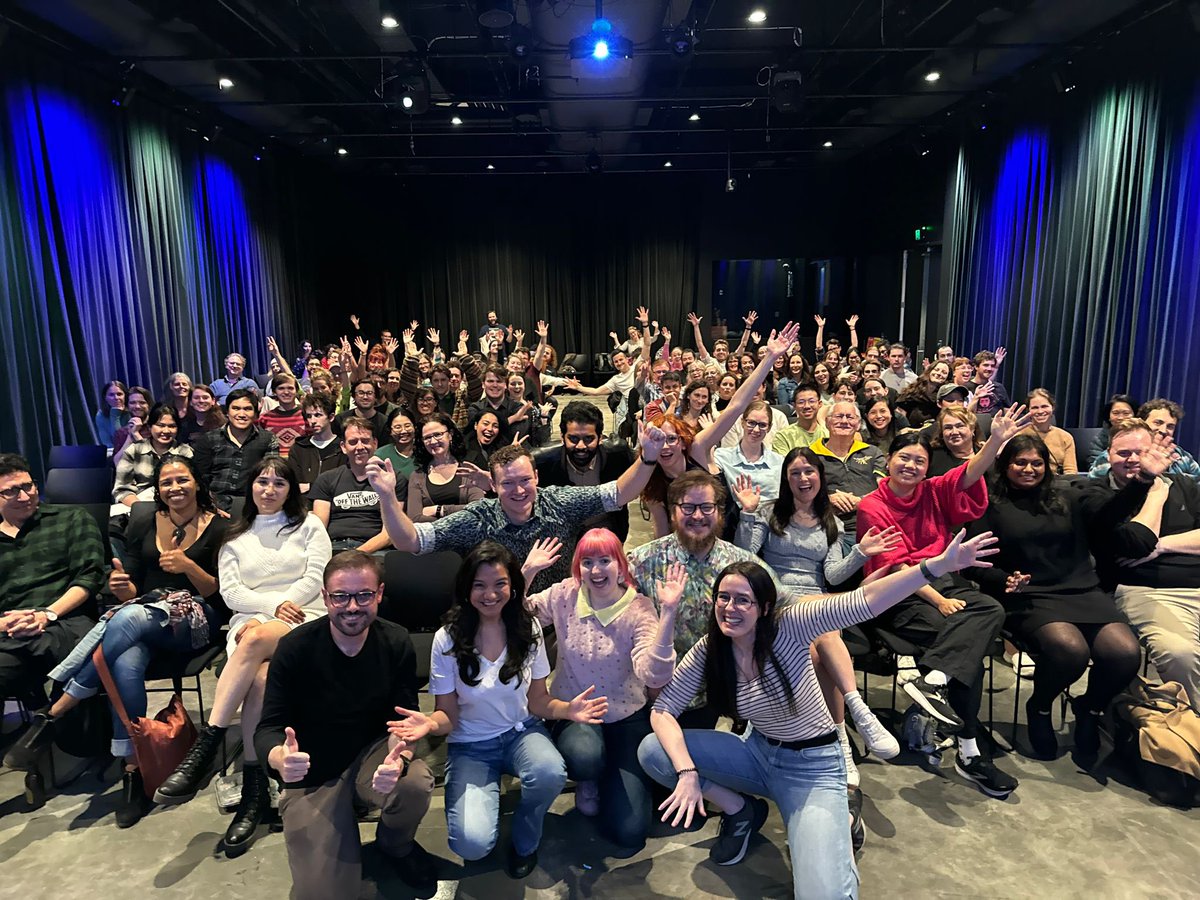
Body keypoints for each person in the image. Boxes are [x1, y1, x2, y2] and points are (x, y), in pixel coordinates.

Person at [637, 531, 999, 899]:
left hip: (813, 769)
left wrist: (935, 566)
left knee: (821, 895)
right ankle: (741, 809)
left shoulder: (790, 625)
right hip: (757, 754)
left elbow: (866, 600)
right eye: (723, 598)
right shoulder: (712, 647)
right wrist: (687, 772)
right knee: (654, 751)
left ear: (764, 607)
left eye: (743, 600)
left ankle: (837, 823)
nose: (730, 608)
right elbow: (663, 709)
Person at [7, 455, 226, 825]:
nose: (174, 488)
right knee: (123, 658)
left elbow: (223, 596)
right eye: (166, 482)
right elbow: (135, 587)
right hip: (141, 616)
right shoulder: (144, 520)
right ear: (157, 489)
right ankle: (132, 772)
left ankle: (56, 710)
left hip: (196, 618)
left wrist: (189, 566)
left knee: (130, 618)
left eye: (182, 480)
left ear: (198, 483)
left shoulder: (221, 526)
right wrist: (122, 589)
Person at [386, 543, 602, 879]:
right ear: (466, 588)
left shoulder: (526, 628)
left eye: (500, 584)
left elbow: (538, 702)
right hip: (471, 745)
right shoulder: (448, 639)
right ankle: (485, 799)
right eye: (479, 585)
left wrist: (567, 710)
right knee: (471, 845)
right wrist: (429, 724)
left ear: (513, 587)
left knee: (550, 773)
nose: (490, 594)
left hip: (521, 732)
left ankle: (526, 837)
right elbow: (447, 716)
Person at [154, 458, 331, 854]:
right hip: (253, 619)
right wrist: (270, 607)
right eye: (262, 482)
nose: (269, 490)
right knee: (260, 680)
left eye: (279, 483)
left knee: (253, 641)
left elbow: (317, 578)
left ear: (291, 490)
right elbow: (231, 594)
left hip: (305, 616)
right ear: (250, 486)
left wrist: (280, 608)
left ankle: (210, 741)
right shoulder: (234, 534)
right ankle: (256, 789)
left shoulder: (308, 527)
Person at [854, 404, 1031, 798]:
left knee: (991, 609)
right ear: (888, 461)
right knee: (967, 642)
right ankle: (969, 751)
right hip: (898, 595)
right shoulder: (872, 505)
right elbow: (895, 568)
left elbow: (967, 474)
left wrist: (996, 440)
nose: (913, 466)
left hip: (945, 583)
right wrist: (938, 600)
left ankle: (932, 680)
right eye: (905, 458)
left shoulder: (933, 491)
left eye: (920, 460)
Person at [253, 550, 437, 897]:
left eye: (363, 594)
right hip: (314, 770)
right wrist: (279, 759)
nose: (352, 606)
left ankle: (396, 845)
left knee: (414, 784)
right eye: (340, 596)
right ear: (325, 598)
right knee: (323, 894)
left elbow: (406, 718)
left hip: (373, 752)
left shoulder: (396, 641)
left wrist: (402, 758)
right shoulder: (294, 649)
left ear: (379, 594)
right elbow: (268, 728)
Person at [966, 435, 1140, 758]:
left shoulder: (1068, 495)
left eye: (1037, 463)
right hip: (1026, 595)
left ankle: (1091, 708)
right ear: (1005, 467)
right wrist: (1004, 579)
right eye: (1020, 463)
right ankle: (1041, 707)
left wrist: (1140, 483)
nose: (1029, 469)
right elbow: (972, 563)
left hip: (1081, 589)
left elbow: (1109, 515)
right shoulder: (989, 502)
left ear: (1047, 466)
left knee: (1125, 653)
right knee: (1069, 650)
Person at [517, 531, 682, 852]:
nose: (596, 570)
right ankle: (589, 777)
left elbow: (653, 672)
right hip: (574, 710)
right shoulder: (567, 594)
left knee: (630, 833)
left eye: (604, 560)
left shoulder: (639, 609)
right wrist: (527, 573)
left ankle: (614, 778)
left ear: (620, 565)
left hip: (626, 717)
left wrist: (669, 614)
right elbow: (519, 614)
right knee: (584, 757)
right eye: (587, 562)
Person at [368, 425, 668, 593]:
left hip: (559, 621)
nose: (519, 490)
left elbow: (618, 493)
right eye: (508, 483)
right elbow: (410, 541)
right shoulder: (477, 520)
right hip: (500, 622)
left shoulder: (558, 502)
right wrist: (387, 496)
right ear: (493, 486)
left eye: (525, 480)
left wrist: (649, 457)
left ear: (536, 477)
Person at [0, 452, 104, 799]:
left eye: (28, 485)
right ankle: (37, 741)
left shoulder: (71, 518)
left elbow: (88, 576)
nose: (25, 495)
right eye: (12, 491)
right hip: (8, 628)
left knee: (64, 651)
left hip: (66, 618)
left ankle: (62, 739)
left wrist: (45, 615)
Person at [1079, 419, 1200, 713]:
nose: (1133, 459)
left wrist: (1163, 545)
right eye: (1123, 453)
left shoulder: (1183, 484)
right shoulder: (1096, 495)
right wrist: (1154, 491)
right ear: (1107, 455)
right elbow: (1133, 545)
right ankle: (1191, 732)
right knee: (1180, 654)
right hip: (1145, 590)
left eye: (1141, 452)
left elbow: (1150, 545)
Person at [642, 323, 801, 537]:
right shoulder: (652, 483)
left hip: (734, 535)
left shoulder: (697, 449)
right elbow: (662, 532)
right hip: (691, 547)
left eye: (672, 438)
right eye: (659, 440)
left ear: (682, 441)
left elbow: (736, 406)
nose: (666, 445)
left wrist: (769, 359)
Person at [534, 400, 634, 542]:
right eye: (573, 439)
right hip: (563, 537)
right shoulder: (543, 462)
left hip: (608, 534)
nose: (581, 446)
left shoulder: (618, 455)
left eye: (588, 439)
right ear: (562, 438)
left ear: (600, 438)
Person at [310, 418, 399, 553]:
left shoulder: (391, 479)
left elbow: (389, 534)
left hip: (375, 551)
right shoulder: (326, 479)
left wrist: (356, 554)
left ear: (375, 443)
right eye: (353, 442)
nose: (359, 447)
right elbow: (318, 529)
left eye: (365, 441)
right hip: (334, 548)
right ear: (343, 447)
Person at [810, 401, 887, 555]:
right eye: (838, 416)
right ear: (827, 422)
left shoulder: (872, 453)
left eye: (850, 417)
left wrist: (862, 502)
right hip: (829, 527)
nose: (844, 421)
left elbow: (884, 488)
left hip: (873, 525)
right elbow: (802, 492)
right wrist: (827, 498)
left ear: (858, 424)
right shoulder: (811, 455)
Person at [192, 389, 281, 509]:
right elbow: (200, 477)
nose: (242, 414)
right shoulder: (209, 439)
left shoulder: (267, 439)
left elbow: (270, 477)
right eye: (236, 408)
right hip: (214, 503)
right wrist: (210, 505)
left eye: (248, 409)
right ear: (227, 412)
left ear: (255, 413)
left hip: (253, 503)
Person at [1088, 398, 1200, 481]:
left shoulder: (1183, 457)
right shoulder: (1117, 455)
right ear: (1142, 422)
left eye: (1170, 426)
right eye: (1158, 423)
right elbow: (1093, 485)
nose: (1163, 430)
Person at [407, 413, 486, 524]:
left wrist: (439, 510)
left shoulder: (468, 468)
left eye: (438, 434)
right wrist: (461, 513)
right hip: (433, 539)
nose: (433, 441)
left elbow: (479, 509)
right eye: (427, 437)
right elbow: (415, 518)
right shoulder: (417, 476)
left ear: (450, 435)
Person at [112, 403, 195, 507]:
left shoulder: (185, 452)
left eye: (172, 426)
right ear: (150, 427)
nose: (166, 431)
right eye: (160, 425)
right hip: (138, 505)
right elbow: (122, 489)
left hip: (176, 504)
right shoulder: (134, 450)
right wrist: (142, 509)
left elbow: (192, 487)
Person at [714, 401, 785, 510]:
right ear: (742, 422)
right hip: (735, 522)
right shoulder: (722, 457)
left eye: (762, 425)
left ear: (769, 428)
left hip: (771, 522)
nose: (756, 430)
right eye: (751, 423)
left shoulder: (780, 462)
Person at [288, 393, 345, 493]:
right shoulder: (298, 448)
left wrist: (310, 486)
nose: (312, 421)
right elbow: (294, 485)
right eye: (309, 416)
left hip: (335, 504)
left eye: (318, 415)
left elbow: (343, 483)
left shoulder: (343, 448)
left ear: (331, 417)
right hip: (304, 505)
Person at [1022, 388, 1078, 475]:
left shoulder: (1065, 437)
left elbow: (1070, 471)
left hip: (1057, 483)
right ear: (1028, 411)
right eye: (1035, 408)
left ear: (1053, 408)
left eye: (1044, 406)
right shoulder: (1019, 434)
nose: (1040, 411)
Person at [257, 373, 306, 457]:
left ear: (297, 390)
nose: (286, 392)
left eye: (290, 388)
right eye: (281, 388)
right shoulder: (265, 418)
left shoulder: (306, 415)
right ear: (274, 391)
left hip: (301, 462)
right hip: (275, 465)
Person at [772, 384, 829, 454]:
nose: (807, 406)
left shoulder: (828, 434)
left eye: (811, 401)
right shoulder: (783, 436)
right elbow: (782, 463)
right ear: (794, 405)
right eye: (801, 402)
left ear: (819, 404)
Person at [927, 407, 983, 477]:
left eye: (960, 426)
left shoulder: (986, 453)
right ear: (942, 433)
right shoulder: (931, 456)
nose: (954, 432)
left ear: (972, 429)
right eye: (948, 428)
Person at [1087, 393, 1138, 465]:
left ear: (1135, 415)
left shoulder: (1143, 437)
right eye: (1115, 413)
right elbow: (1094, 466)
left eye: (1126, 413)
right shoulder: (1100, 439)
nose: (1120, 417)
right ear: (1109, 416)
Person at [374, 408, 417, 481]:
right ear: (390, 431)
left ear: (414, 427)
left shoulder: (424, 450)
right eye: (398, 427)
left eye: (407, 426)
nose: (403, 431)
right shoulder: (380, 455)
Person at [112, 386, 154, 460]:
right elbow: (117, 462)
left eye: (142, 402)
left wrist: (136, 434)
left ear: (149, 405)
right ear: (127, 406)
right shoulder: (121, 432)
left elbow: (153, 460)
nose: (137, 406)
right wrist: (130, 436)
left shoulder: (157, 428)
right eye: (132, 403)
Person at [965, 350, 1010, 416]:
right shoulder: (966, 388)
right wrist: (976, 398)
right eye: (986, 365)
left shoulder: (999, 387)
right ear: (976, 367)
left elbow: (1007, 411)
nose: (989, 369)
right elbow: (963, 415)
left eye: (992, 366)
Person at [95, 380, 131, 449]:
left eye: (119, 394)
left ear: (125, 396)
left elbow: (120, 441)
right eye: (111, 395)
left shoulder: (131, 412)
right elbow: (107, 443)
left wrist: (115, 415)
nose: (116, 398)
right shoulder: (100, 415)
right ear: (105, 398)